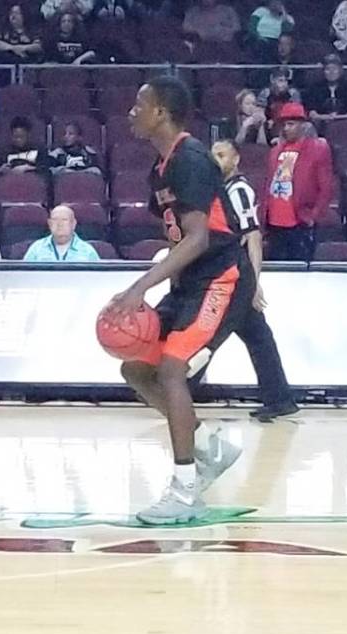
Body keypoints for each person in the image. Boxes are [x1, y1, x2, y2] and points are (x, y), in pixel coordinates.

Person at [108, 76, 254, 525]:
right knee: (136, 367)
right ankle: (208, 443)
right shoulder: (161, 168)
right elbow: (179, 240)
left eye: (140, 104)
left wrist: (140, 287)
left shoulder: (190, 158)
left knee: (172, 370)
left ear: (161, 113)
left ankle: (185, 490)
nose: (132, 112)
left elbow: (196, 239)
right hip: (192, 281)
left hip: (222, 279)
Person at [210, 139, 299, 421]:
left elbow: (253, 237)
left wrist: (253, 281)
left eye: (222, 155)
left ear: (236, 159)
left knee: (208, 333)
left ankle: (178, 388)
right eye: (213, 155)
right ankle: (280, 398)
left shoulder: (239, 190)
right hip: (229, 275)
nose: (217, 160)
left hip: (235, 276)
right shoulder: (222, 190)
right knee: (257, 337)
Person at [262, 102, 334, 261]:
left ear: (302, 125)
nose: (286, 128)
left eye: (291, 124)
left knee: (301, 271)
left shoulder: (317, 149)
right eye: (284, 124)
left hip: (300, 221)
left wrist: (313, 216)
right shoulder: (275, 151)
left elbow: (326, 187)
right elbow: (269, 184)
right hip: (274, 223)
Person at [23, 205, 99, 261]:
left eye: (64, 220)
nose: (59, 224)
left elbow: (97, 279)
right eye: (55, 220)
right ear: (49, 224)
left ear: (73, 224)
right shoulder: (36, 248)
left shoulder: (88, 251)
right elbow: (25, 276)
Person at [305, 54, 347, 125]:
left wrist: (337, 117)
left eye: (335, 69)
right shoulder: (314, 89)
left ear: (340, 70)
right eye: (328, 69)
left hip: (346, 123)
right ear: (323, 71)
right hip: (321, 123)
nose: (331, 72)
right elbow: (312, 114)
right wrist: (326, 117)